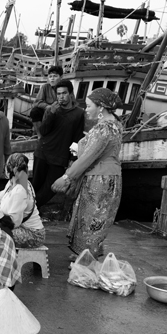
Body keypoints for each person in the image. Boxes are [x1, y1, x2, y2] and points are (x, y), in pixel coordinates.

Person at [52, 88, 124, 258]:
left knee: (91, 219)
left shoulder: (103, 129)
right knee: (98, 218)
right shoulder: (116, 124)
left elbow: (88, 158)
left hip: (100, 179)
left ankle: (87, 259)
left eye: (89, 105)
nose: (86, 109)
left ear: (101, 107)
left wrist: (67, 177)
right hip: (109, 176)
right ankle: (86, 254)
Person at [30, 78, 85, 209]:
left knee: (50, 189)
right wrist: (51, 114)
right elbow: (43, 131)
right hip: (42, 152)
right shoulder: (51, 110)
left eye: (64, 93)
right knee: (35, 186)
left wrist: (72, 159)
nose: (61, 97)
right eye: (58, 94)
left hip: (59, 158)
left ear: (71, 94)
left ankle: (29, 211)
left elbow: (77, 138)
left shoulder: (79, 114)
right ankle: (28, 213)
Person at [0, 154, 48, 248]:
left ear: (8, 170)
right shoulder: (12, 183)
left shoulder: (20, 190)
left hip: (33, 235)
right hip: (22, 229)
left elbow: (14, 222)